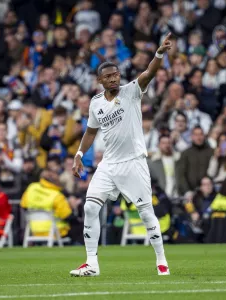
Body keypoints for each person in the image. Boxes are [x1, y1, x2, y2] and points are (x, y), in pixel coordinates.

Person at [70, 33, 173, 276]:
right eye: (108, 76)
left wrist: (158, 54)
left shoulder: (131, 92)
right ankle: (92, 263)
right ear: (100, 81)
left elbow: (149, 73)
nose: (114, 78)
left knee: (146, 213)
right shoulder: (96, 103)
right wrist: (78, 154)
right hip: (108, 165)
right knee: (90, 208)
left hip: (133, 163)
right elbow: (90, 131)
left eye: (116, 74)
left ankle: (161, 261)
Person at [21, 169, 72, 238]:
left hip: (34, 231)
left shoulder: (31, 188)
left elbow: (23, 205)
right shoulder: (57, 196)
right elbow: (66, 216)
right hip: (56, 232)